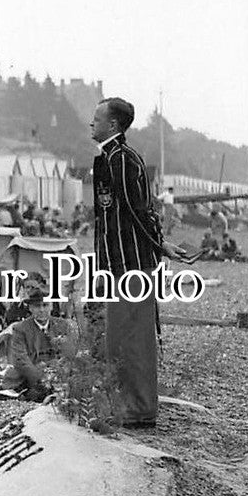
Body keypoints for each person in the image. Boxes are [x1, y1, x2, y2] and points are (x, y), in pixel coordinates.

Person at [90, 97, 187, 428]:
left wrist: (160, 247)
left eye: (97, 119)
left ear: (113, 125)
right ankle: (124, 404)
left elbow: (139, 212)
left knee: (135, 339)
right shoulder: (106, 159)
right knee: (117, 338)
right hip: (117, 265)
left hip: (134, 265)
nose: (92, 124)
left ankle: (141, 408)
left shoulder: (125, 160)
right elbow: (107, 220)